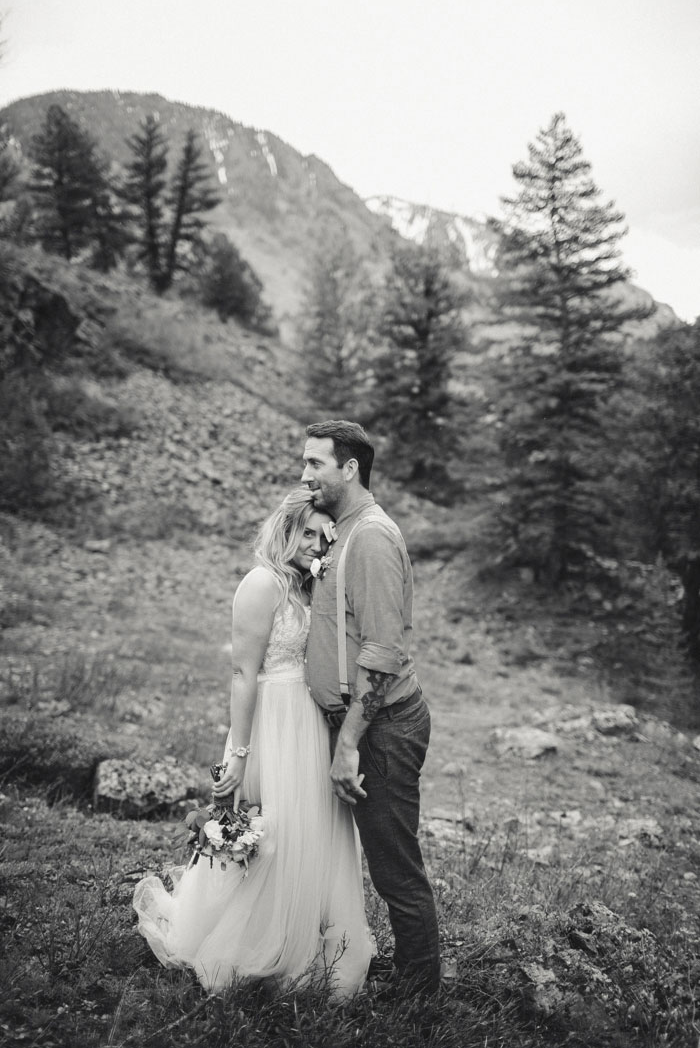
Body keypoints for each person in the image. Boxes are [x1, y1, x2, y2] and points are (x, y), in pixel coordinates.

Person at [133, 488, 373, 998]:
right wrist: (239, 756)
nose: (314, 544)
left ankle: (305, 942)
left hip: (310, 728)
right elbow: (243, 674)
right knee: (270, 836)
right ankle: (249, 944)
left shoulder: (311, 589)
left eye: (323, 536)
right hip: (269, 728)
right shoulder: (260, 584)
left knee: (313, 834)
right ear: (285, 530)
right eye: (306, 532)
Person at [301, 420, 441, 996]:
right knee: (381, 858)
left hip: (380, 726)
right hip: (361, 721)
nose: (304, 474)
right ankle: (410, 974)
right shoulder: (342, 530)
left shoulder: (373, 537)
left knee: (394, 866)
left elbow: (382, 653)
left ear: (350, 468)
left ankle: (419, 993)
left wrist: (350, 740)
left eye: (316, 464)